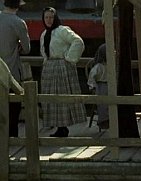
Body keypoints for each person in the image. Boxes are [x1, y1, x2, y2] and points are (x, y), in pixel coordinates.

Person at [40, 7, 85, 138]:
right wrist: (46, 61)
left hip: (61, 67)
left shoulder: (62, 30)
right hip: (50, 67)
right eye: (46, 17)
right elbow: (45, 51)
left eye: (51, 17)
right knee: (52, 98)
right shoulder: (44, 34)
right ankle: (59, 127)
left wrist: (69, 57)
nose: (49, 20)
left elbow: (78, 41)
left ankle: (63, 127)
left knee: (62, 97)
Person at [1, 0, 29, 138]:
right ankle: (12, 138)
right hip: (11, 72)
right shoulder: (18, 22)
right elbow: (27, 48)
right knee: (13, 108)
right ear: (17, 6)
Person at [87, 43, 109, 130]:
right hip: (101, 86)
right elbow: (91, 78)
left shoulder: (110, 65)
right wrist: (92, 87)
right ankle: (104, 120)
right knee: (103, 103)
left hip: (110, 85)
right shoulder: (98, 67)